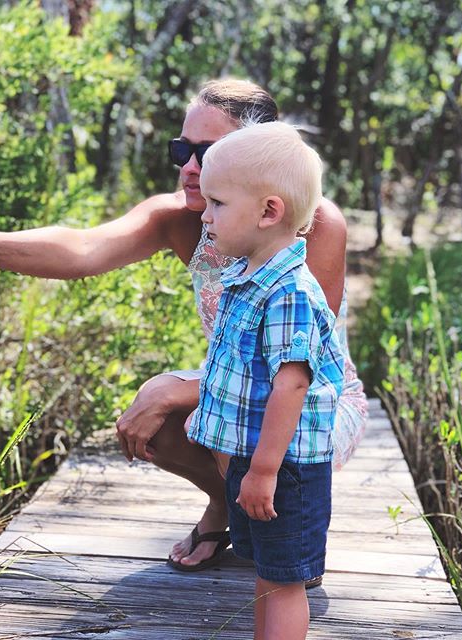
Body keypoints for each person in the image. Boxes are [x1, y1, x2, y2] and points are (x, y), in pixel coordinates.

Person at [0, 78, 368, 573]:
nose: (189, 168)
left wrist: (173, 390)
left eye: (209, 151)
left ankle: (292, 545)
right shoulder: (182, 217)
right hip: (236, 386)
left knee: (178, 404)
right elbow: (83, 247)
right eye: (182, 150)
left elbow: (294, 370)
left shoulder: (314, 223)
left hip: (309, 400)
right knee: (157, 426)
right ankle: (224, 505)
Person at [184, 120, 342, 639]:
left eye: (217, 204)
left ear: (269, 211)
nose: (205, 217)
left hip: (284, 469)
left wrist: (264, 472)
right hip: (256, 461)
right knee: (268, 573)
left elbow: (291, 386)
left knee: (285, 581)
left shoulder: (289, 292)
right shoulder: (249, 276)